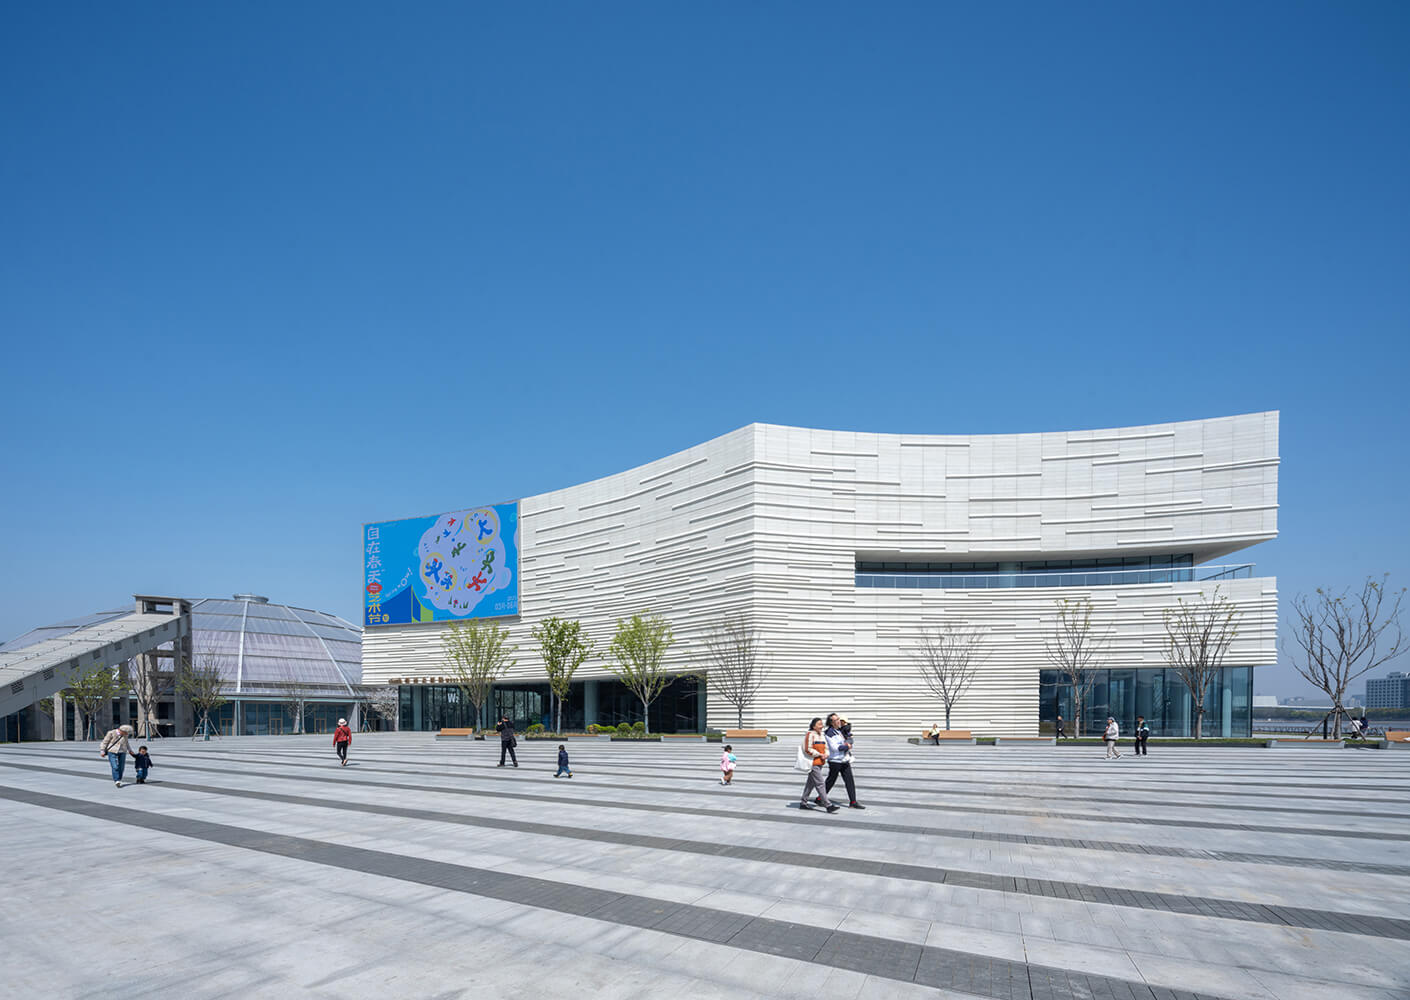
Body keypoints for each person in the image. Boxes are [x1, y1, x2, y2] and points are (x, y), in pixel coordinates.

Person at [822, 713, 864, 809]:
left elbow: (848, 738)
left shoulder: (839, 731)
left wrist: (849, 741)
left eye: (838, 719)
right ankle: (820, 798)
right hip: (835, 761)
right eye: (836, 720)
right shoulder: (829, 733)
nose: (838, 721)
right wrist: (846, 746)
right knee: (830, 781)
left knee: (849, 781)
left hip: (844, 760)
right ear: (831, 722)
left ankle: (853, 802)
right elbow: (835, 748)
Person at [800, 718, 840, 813]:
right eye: (819, 724)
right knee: (821, 783)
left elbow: (826, 747)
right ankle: (828, 805)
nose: (821, 726)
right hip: (813, 762)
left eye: (822, 724)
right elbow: (807, 749)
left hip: (820, 762)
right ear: (813, 726)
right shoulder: (810, 734)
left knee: (810, 784)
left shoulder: (822, 735)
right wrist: (819, 754)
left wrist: (826, 754)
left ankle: (803, 802)